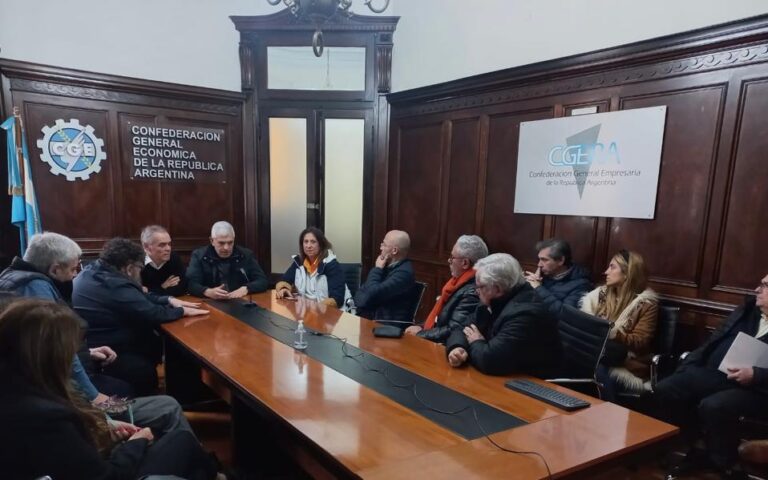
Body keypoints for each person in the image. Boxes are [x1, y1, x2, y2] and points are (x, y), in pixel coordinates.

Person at [0, 232, 196, 438]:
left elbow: (42, 349)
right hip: (63, 395)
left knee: (132, 379)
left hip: (54, 386)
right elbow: (59, 353)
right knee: (157, 401)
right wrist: (94, 396)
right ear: (55, 269)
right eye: (73, 269)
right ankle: (145, 440)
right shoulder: (35, 288)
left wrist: (89, 352)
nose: (75, 275)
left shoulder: (12, 277)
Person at [0, 299, 222, 480]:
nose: (73, 357)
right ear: (51, 354)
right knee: (181, 437)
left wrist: (106, 426)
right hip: (112, 461)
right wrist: (136, 442)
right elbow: (107, 475)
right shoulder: (46, 416)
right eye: (70, 350)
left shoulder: (18, 388)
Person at [650, 274, 768, 479]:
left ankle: (726, 464)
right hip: (719, 374)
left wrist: (756, 374)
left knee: (714, 405)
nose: (757, 289)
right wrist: (689, 364)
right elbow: (714, 339)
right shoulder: (748, 310)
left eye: (765, 286)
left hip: (758, 388)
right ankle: (698, 447)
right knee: (667, 389)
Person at [73, 238, 207, 396]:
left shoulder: (94, 270)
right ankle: (164, 399)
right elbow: (153, 313)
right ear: (130, 268)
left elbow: (138, 297)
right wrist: (181, 311)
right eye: (139, 268)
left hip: (92, 342)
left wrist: (168, 300)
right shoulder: (113, 284)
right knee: (164, 349)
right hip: (109, 350)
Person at [445, 253, 561, 377]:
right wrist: (457, 347)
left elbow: (490, 361)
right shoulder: (494, 299)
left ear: (498, 289)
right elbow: (462, 328)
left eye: (480, 287)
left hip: (531, 382)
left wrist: (475, 342)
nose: (476, 291)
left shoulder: (525, 314)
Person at [580, 249, 658, 399]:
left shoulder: (646, 303)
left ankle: (607, 410)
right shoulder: (599, 296)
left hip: (626, 363)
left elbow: (640, 340)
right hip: (597, 352)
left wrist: (612, 332)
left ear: (627, 273)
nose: (606, 272)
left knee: (600, 369)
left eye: (612, 267)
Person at [405, 235, 488, 343]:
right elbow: (438, 319)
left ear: (465, 263)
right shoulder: (457, 283)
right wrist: (421, 327)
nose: (449, 260)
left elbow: (453, 330)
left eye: (452, 257)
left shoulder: (472, 293)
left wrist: (420, 334)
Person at [187, 221, 268, 300]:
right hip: (210, 301)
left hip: (239, 300)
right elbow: (190, 284)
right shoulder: (199, 256)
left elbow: (262, 281)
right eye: (221, 243)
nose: (226, 248)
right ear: (212, 241)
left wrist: (247, 288)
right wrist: (207, 291)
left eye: (230, 242)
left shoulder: (245, 255)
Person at [353, 230, 416, 323]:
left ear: (394, 250)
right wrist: (365, 299)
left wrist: (377, 269)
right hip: (371, 317)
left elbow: (371, 293)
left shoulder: (404, 274)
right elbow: (360, 293)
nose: (381, 247)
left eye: (384, 245)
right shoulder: (387, 265)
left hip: (387, 324)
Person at [275, 227, 349, 307]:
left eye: (313, 242)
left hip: (331, 311)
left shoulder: (331, 265)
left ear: (321, 244)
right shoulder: (298, 262)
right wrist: (284, 289)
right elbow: (285, 280)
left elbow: (337, 299)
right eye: (306, 242)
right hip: (307, 310)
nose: (308, 246)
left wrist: (316, 309)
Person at [524, 238, 592, 315]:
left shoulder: (581, 285)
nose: (539, 264)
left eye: (544, 260)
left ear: (561, 260)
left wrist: (539, 288)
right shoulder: (543, 274)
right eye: (539, 259)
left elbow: (565, 314)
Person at [141, 225, 188, 297]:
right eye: (162, 245)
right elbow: (138, 293)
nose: (168, 249)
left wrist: (154, 290)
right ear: (146, 247)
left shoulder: (173, 258)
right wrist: (162, 287)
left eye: (169, 244)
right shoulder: (137, 262)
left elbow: (181, 289)